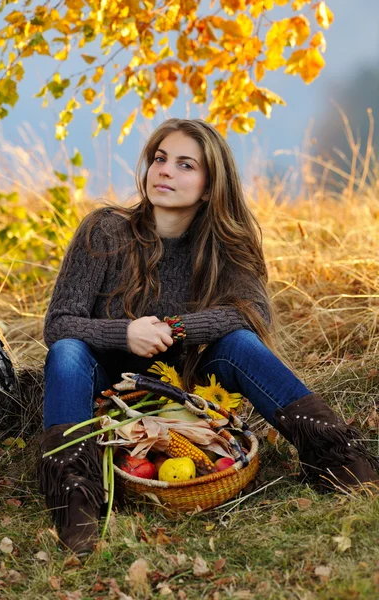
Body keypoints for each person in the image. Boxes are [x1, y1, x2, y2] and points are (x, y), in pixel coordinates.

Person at [39, 118, 378, 555]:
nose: (165, 171)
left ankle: (338, 456)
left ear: (208, 185)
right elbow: (59, 323)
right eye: (160, 159)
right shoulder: (104, 230)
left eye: (185, 165)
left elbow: (253, 313)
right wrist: (127, 333)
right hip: (106, 384)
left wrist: (173, 329)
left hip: (189, 389)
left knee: (240, 342)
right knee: (66, 351)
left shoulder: (223, 241)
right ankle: (75, 497)